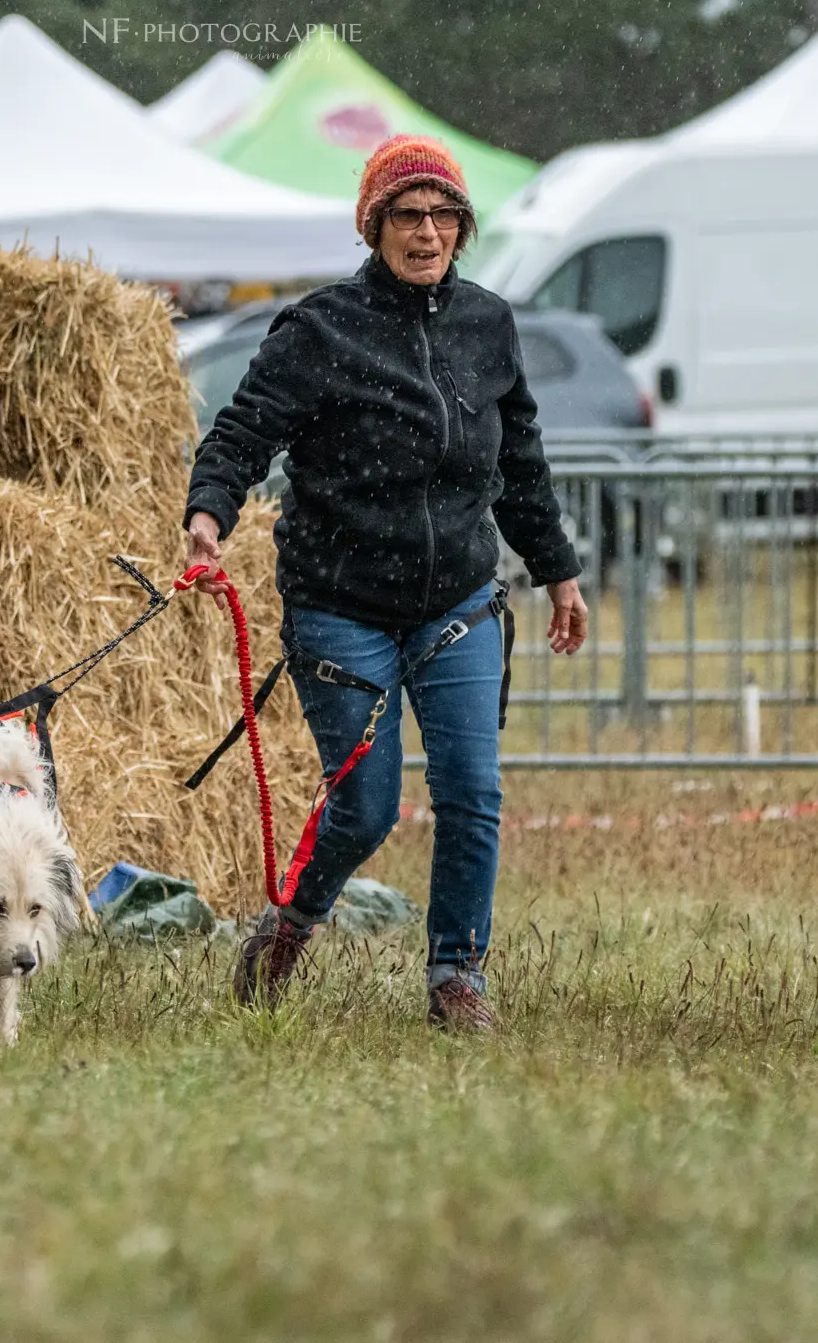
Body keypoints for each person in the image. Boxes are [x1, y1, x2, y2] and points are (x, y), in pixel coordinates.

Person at [183, 135, 590, 1032]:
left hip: (458, 601)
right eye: (408, 215)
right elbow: (241, 432)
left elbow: (519, 461)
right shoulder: (319, 329)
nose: (428, 231)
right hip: (341, 603)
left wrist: (558, 571)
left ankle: (456, 978)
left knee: (472, 794)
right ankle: (291, 922)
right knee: (365, 807)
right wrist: (208, 516)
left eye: (446, 215)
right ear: (374, 227)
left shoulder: (488, 325)